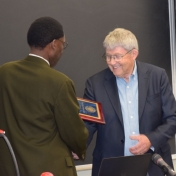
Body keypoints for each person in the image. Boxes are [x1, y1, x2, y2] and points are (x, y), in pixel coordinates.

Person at [0, 17, 88, 176]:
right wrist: (79, 149)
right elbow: (74, 132)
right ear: (54, 44)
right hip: (49, 170)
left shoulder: (4, 73)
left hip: (11, 167)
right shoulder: (60, 83)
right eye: (63, 44)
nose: (62, 49)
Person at [83, 28, 176, 176]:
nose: (112, 62)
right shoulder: (95, 84)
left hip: (153, 166)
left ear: (134, 54)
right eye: (108, 56)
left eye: (117, 56)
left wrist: (151, 140)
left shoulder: (157, 76)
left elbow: (172, 119)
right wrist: (75, 147)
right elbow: (87, 125)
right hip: (112, 168)